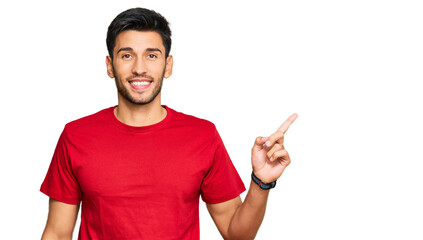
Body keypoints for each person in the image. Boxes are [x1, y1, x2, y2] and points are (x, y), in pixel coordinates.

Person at [40, 7, 297, 240]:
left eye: (152, 55)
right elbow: (57, 233)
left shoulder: (202, 136)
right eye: (127, 55)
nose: (139, 68)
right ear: (110, 65)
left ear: (167, 65)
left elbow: (236, 233)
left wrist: (261, 183)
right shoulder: (76, 136)